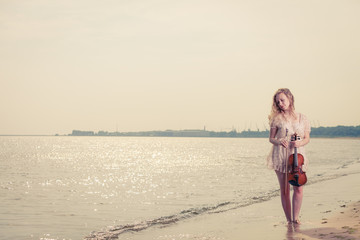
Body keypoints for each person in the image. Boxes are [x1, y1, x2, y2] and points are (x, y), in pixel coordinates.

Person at [267, 88, 311, 224]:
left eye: (282, 100)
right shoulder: (276, 119)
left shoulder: (302, 117)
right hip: (280, 155)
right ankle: (288, 220)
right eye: (278, 102)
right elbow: (271, 139)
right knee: (285, 189)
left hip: (297, 156)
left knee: (298, 187)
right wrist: (280, 141)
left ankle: (295, 218)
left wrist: (300, 142)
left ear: (290, 99)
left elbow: (307, 138)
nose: (280, 103)